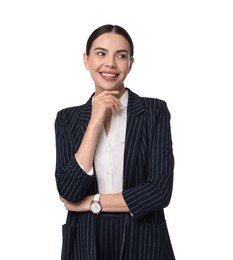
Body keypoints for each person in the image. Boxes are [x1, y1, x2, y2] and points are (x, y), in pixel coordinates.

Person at [55, 24, 175, 260]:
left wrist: (91, 202)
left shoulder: (154, 111)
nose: (110, 63)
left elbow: (159, 191)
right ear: (86, 60)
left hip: (144, 240)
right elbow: (69, 191)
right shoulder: (67, 119)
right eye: (101, 53)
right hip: (86, 242)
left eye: (121, 56)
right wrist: (94, 122)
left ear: (130, 63)